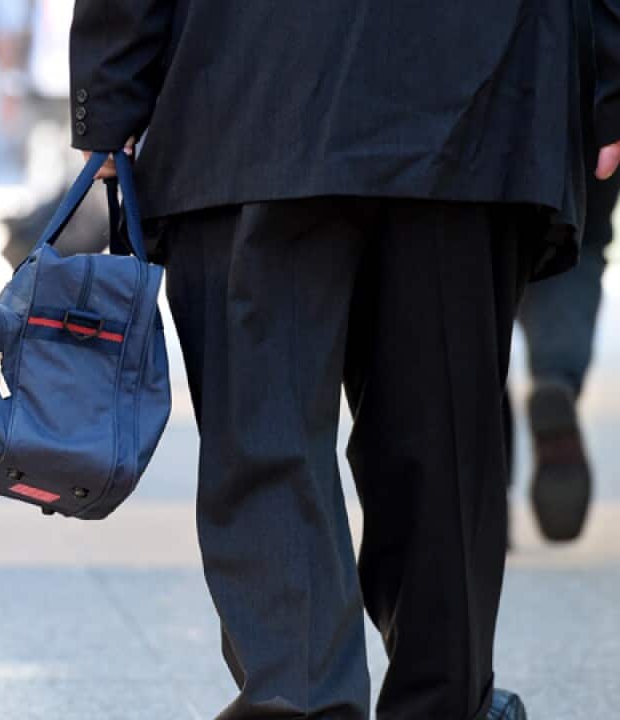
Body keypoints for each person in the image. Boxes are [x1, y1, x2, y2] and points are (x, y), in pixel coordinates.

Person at [69, 0, 615, 718]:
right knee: (441, 440)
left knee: (266, 435)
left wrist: (111, 90)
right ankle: (443, 700)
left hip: (249, 83)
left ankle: (301, 703)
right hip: (478, 81)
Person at [513, 0, 617, 543]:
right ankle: (556, 374)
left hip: (458, 75)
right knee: (579, 241)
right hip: (580, 67)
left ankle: (477, 491)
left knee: (457, 278)